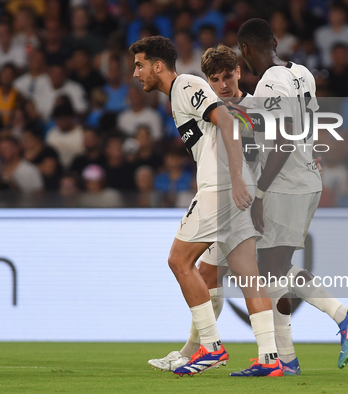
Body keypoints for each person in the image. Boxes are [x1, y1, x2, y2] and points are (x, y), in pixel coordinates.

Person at [130, 35, 282, 377]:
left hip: (223, 187)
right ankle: (270, 356)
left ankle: (211, 348)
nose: (135, 73)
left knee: (179, 260)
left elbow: (227, 120)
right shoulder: (177, 96)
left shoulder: (185, 85)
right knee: (247, 272)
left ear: (158, 66)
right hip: (233, 187)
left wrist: (238, 181)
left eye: (140, 65)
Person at [238, 18, 348, 370]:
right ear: (275, 41)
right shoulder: (304, 73)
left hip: (285, 185)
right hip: (307, 178)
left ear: (246, 49)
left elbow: (282, 139)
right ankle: (288, 359)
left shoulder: (268, 83)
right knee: (273, 271)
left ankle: (343, 316)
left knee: (271, 269)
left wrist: (260, 194)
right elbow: (305, 125)